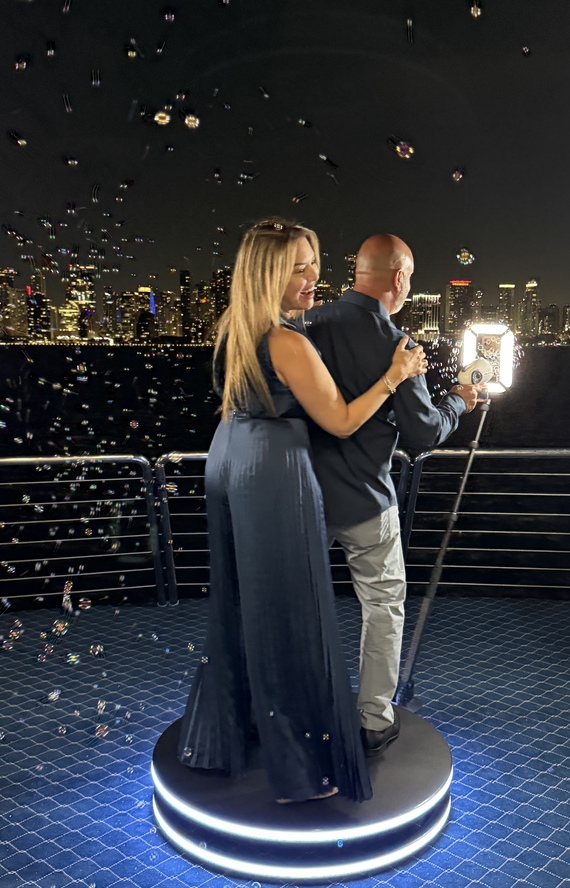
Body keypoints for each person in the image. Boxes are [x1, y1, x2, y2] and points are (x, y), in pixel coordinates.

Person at [177, 219, 427, 804]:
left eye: (314, 262)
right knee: (296, 615)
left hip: (232, 459)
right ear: (268, 275)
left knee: (251, 601)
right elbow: (340, 420)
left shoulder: (233, 330)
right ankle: (300, 764)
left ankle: (245, 723)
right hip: (275, 474)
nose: (314, 275)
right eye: (299, 267)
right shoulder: (287, 341)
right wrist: (394, 376)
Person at [305, 233, 480, 758]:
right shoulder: (396, 343)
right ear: (400, 278)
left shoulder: (305, 323)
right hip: (366, 498)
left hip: (302, 495)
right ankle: (374, 720)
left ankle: (287, 708)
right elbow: (423, 431)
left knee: (295, 604)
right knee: (382, 606)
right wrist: (459, 402)